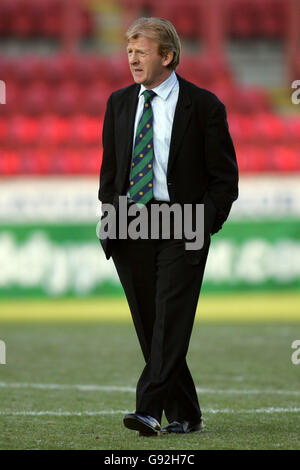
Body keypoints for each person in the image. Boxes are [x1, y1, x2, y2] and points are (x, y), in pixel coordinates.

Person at [98, 17, 238, 436]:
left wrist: (205, 222)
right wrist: (110, 220)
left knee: (170, 321)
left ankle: (147, 409)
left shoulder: (205, 105)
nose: (132, 58)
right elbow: (111, 174)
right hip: (131, 226)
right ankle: (188, 412)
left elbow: (224, 178)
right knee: (151, 327)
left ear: (167, 56)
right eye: (129, 51)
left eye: (141, 51)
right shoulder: (119, 103)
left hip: (183, 225)